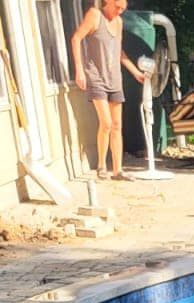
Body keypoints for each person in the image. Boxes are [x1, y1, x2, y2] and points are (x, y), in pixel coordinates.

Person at [70, 0, 148, 180]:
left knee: (117, 125)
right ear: (108, 2)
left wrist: (135, 72)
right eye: (117, 7)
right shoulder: (95, 15)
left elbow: (119, 52)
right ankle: (101, 166)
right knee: (105, 123)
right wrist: (79, 70)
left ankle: (118, 170)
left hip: (114, 78)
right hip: (96, 76)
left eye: (123, 9)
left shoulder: (119, 22)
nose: (119, 12)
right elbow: (76, 38)